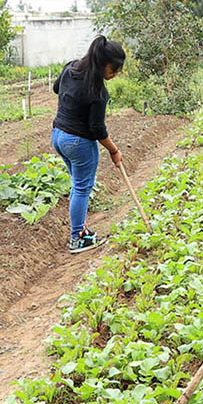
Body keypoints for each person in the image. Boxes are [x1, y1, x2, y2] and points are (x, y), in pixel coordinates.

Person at [51, 36, 125, 253]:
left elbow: (57, 88)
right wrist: (114, 150)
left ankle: (81, 230)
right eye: (114, 69)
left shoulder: (70, 68)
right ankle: (76, 239)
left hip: (58, 136)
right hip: (78, 142)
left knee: (77, 184)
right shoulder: (98, 92)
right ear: (102, 64)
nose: (116, 74)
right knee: (82, 188)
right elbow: (97, 129)